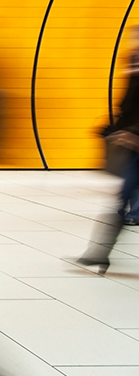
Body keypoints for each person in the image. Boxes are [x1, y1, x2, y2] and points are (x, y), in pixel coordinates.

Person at [77, 27, 139, 272]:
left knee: (124, 194)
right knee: (123, 194)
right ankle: (99, 253)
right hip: (134, 143)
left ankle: (99, 253)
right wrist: (115, 128)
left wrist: (133, 132)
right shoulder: (133, 63)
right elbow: (128, 103)